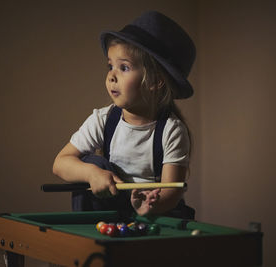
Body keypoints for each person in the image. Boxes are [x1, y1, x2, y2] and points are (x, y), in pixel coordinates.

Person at [52, 11, 196, 219]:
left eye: (124, 67)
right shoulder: (103, 120)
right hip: (111, 213)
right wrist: (93, 174)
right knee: (94, 163)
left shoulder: (171, 130)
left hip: (156, 215)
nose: (111, 75)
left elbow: (172, 191)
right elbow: (60, 163)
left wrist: (150, 206)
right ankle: (88, 235)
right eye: (110, 66)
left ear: (156, 81)